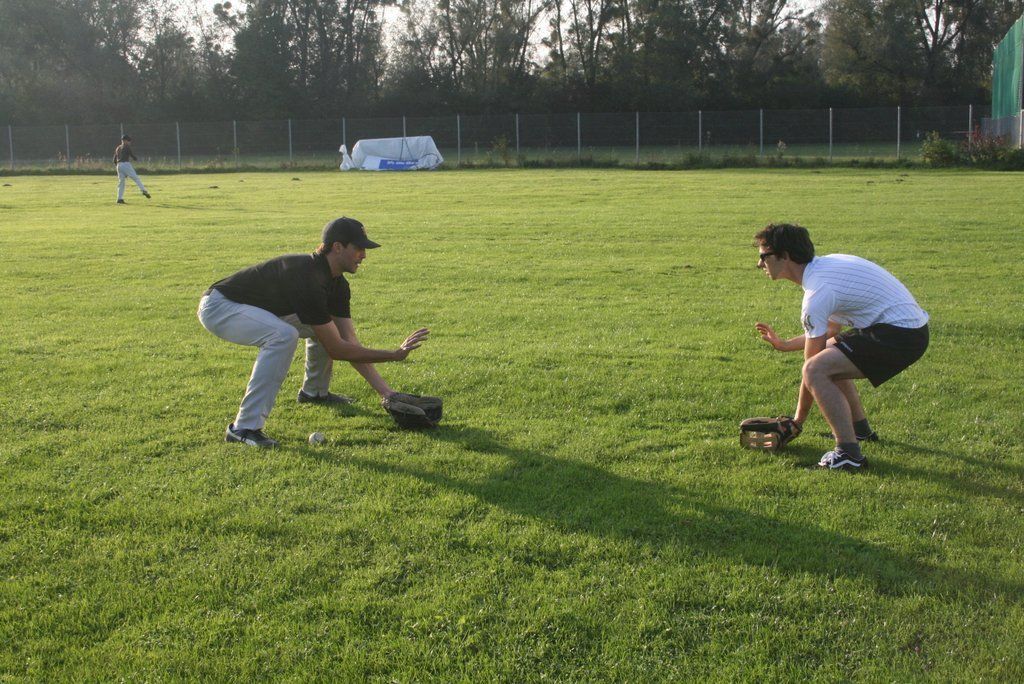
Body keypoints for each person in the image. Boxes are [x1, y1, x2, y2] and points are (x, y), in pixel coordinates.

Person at [197, 217, 430, 448]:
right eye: (358, 248)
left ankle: (315, 392)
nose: (364, 255)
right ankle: (243, 429)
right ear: (337, 247)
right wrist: (393, 355)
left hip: (254, 309)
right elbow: (337, 350)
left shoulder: (338, 285)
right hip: (220, 307)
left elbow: (348, 342)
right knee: (283, 336)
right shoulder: (307, 277)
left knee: (326, 329)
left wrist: (387, 393)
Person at [752, 223, 929, 470]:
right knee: (829, 360)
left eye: (764, 256)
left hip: (901, 335)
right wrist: (785, 345)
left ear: (785, 256)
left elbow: (811, 365)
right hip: (905, 329)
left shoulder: (818, 292)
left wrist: (797, 421)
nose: (759, 264)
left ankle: (848, 455)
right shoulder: (825, 269)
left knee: (817, 369)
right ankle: (860, 432)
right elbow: (832, 330)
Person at [113, 134, 150, 204]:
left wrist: (119, 168)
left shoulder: (118, 148)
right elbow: (131, 155)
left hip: (118, 165)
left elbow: (114, 160)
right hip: (126, 164)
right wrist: (135, 158)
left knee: (121, 183)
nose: (129, 142)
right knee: (136, 178)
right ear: (124, 141)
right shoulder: (126, 147)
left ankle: (119, 199)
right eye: (128, 141)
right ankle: (144, 190)